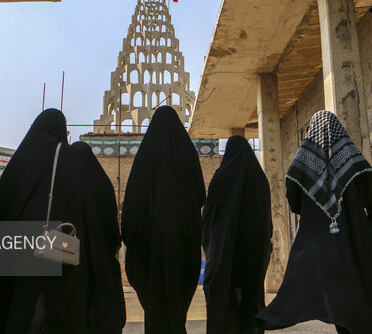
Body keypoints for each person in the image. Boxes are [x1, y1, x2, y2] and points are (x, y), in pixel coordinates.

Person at [255, 110, 372, 334]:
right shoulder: (355, 159)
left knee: (320, 287)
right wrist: (366, 221)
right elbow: (371, 196)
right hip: (355, 239)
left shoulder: (301, 163)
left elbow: (293, 200)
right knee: (361, 288)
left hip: (317, 239)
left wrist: (312, 211)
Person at [0, 109, 93, 334]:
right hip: (53, 255)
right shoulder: (67, 158)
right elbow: (80, 211)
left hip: (12, 256)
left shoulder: (19, 161)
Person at [121, 106, 206, 334]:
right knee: (176, 307)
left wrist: (133, 238)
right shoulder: (187, 154)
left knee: (156, 308)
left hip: (149, 254)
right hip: (183, 248)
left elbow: (133, 207)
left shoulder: (146, 156)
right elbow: (200, 195)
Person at [202, 135, 273, 334]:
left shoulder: (221, 177)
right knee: (250, 308)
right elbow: (266, 223)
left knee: (224, 309)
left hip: (223, 259)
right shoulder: (260, 180)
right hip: (253, 259)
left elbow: (208, 220)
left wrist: (214, 245)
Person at [71, 141, 126, 334]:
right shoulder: (102, 184)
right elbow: (112, 227)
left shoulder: (66, 185)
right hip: (102, 262)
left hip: (71, 263)